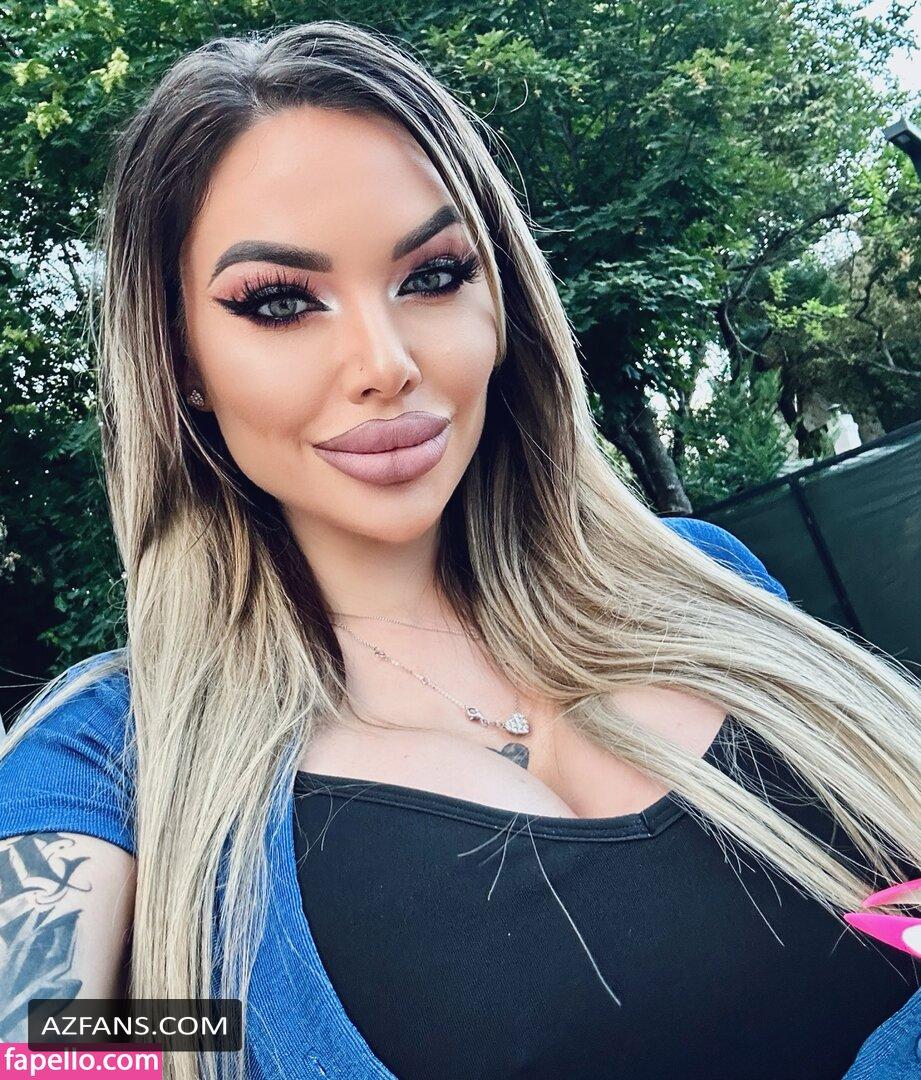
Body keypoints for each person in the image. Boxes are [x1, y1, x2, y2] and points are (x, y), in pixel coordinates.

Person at [1, 20, 919, 1080]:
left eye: (432, 276)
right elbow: (41, 1040)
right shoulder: (117, 749)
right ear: (182, 363)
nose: (384, 362)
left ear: (502, 299)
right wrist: (199, 1036)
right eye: (280, 302)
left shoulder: (704, 579)